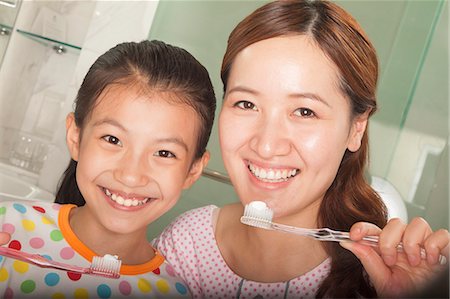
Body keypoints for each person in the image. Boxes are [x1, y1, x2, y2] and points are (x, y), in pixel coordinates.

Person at [153, 1, 449, 298]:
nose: (267, 146)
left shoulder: (381, 277)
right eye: (247, 104)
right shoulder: (184, 247)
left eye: (305, 112)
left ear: (356, 128)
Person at [0, 39, 216, 298]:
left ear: (192, 171)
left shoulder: (173, 292)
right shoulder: (8, 226)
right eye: (112, 140)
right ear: (75, 138)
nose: (131, 175)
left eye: (164, 153)